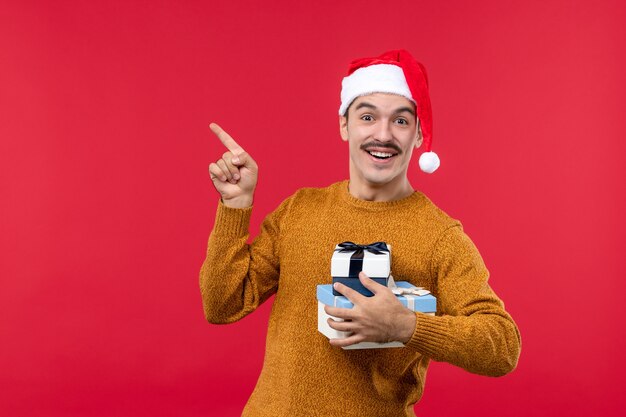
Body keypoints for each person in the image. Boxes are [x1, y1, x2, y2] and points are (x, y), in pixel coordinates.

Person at [200, 49, 521, 416]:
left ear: (418, 135)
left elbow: (502, 346)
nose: (382, 135)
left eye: (401, 121)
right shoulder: (300, 210)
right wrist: (235, 206)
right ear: (344, 125)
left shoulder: (440, 236)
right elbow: (222, 304)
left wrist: (407, 325)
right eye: (367, 116)